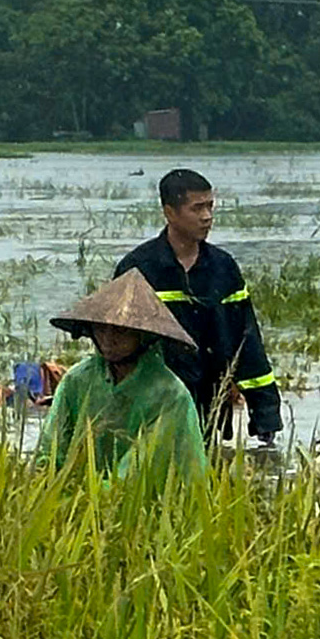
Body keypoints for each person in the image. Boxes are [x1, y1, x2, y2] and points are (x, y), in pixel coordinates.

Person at [116, 169, 282, 448]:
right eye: (197, 208)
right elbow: (114, 345)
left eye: (210, 207)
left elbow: (247, 341)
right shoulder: (138, 269)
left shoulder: (223, 268)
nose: (207, 217)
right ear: (170, 212)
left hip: (210, 404)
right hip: (153, 403)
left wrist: (265, 413)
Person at [41, 270, 208, 484]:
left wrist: (96, 496)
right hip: (81, 495)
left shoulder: (168, 394)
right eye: (101, 329)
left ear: (144, 335)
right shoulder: (78, 379)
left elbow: (139, 470)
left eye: (120, 331)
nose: (108, 339)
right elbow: (52, 445)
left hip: (147, 499)